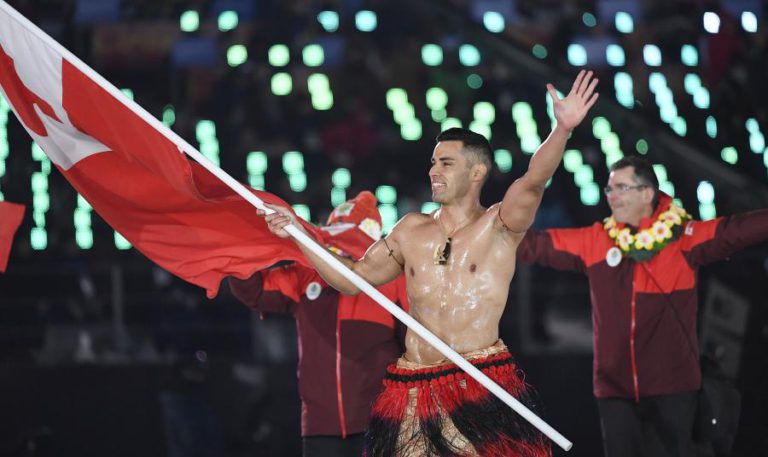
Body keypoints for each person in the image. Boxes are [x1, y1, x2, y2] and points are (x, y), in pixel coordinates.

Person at [260, 70, 599, 457]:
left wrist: (562, 129)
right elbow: (355, 280)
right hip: (411, 385)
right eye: (433, 162)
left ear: (477, 173)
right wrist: (300, 237)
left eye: (447, 163)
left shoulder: (500, 225)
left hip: (476, 379)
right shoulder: (410, 229)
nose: (433, 171)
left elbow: (535, 179)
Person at [517, 155, 768, 457]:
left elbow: (735, 231)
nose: (612, 196)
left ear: (647, 193)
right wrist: (482, 232)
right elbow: (535, 245)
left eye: (622, 188)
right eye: (610, 189)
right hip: (615, 391)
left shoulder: (682, 239)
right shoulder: (598, 240)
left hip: (673, 387)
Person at [229, 191, 409, 457]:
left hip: (381, 421)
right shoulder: (305, 275)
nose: (343, 246)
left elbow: (415, 344)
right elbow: (253, 291)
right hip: (318, 427)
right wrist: (244, 247)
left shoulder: (394, 277)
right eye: (335, 236)